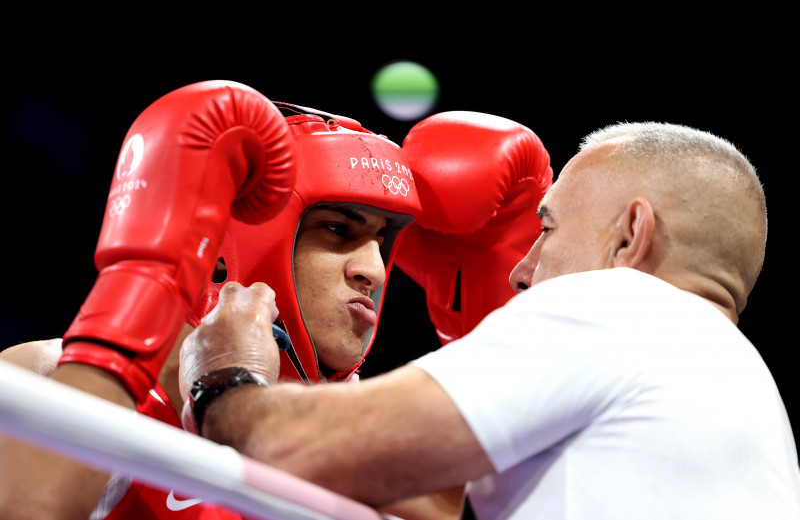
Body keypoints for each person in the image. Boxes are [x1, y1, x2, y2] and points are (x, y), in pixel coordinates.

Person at [177, 122, 800, 519]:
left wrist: (224, 379)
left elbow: (301, 448)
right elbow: (436, 496)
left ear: (631, 235)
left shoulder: (617, 307)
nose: (519, 271)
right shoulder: (744, 389)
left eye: (547, 228)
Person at [0, 83, 553, 520]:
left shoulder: (382, 441)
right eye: (338, 229)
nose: (374, 271)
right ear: (228, 250)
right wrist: (146, 279)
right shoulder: (45, 377)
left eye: (383, 242)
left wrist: (489, 322)